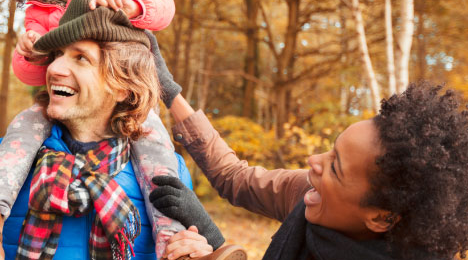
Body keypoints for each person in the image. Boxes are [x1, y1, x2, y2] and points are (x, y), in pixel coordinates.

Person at [0, 0, 245, 260]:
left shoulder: (168, 171)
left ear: (122, 86)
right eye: (57, 55)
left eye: (81, 58)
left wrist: (194, 249)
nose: (56, 69)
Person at [147, 35, 468, 260]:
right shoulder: (312, 196)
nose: (314, 160)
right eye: (331, 150)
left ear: (381, 218)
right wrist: (170, 91)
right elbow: (234, 176)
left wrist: (215, 244)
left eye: (336, 167)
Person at [0, 0, 183, 255]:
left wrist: (133, 5)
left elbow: (162, 6)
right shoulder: (39, 11)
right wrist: (28, 50)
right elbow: (29, 74)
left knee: (154, 144)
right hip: (46, 114)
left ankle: (174, 240)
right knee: (25, 125)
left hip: (135, 109)